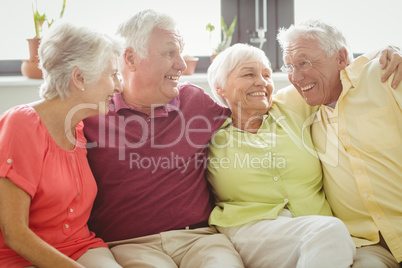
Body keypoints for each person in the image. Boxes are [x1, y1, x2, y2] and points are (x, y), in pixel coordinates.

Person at [83, 9, 244, 267]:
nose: (181, 64)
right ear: (131, 58)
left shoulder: (194, 100)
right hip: (130, 245)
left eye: (180, 53)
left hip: (200, 240)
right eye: (170, 53)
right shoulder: (92, 113)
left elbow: (251, 122)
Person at [205, 43, 356, 268]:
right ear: (220, 87)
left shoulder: (291, 106)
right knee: (330, 231)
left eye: (267, 74)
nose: (262, 82)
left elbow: (334, 72)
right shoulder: (208, 131)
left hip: (312, 224)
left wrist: (390, 51)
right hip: (248, 228)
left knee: (329, 234)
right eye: (249, 74)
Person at [277, 19, 402, 268]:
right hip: (368, 245)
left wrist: (393, 49)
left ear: (341, 58)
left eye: (304, 63)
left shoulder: (384, 75)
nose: (295, 76)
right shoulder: (300, 103)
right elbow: (250, 97)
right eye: (289, 66)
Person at [0, 22, 123, 268]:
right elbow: (14, 233)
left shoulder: (79, 127)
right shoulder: (22, 124)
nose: (119, 86)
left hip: (82, 248)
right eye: (112, 74)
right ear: (79, 77)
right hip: (23, 257)